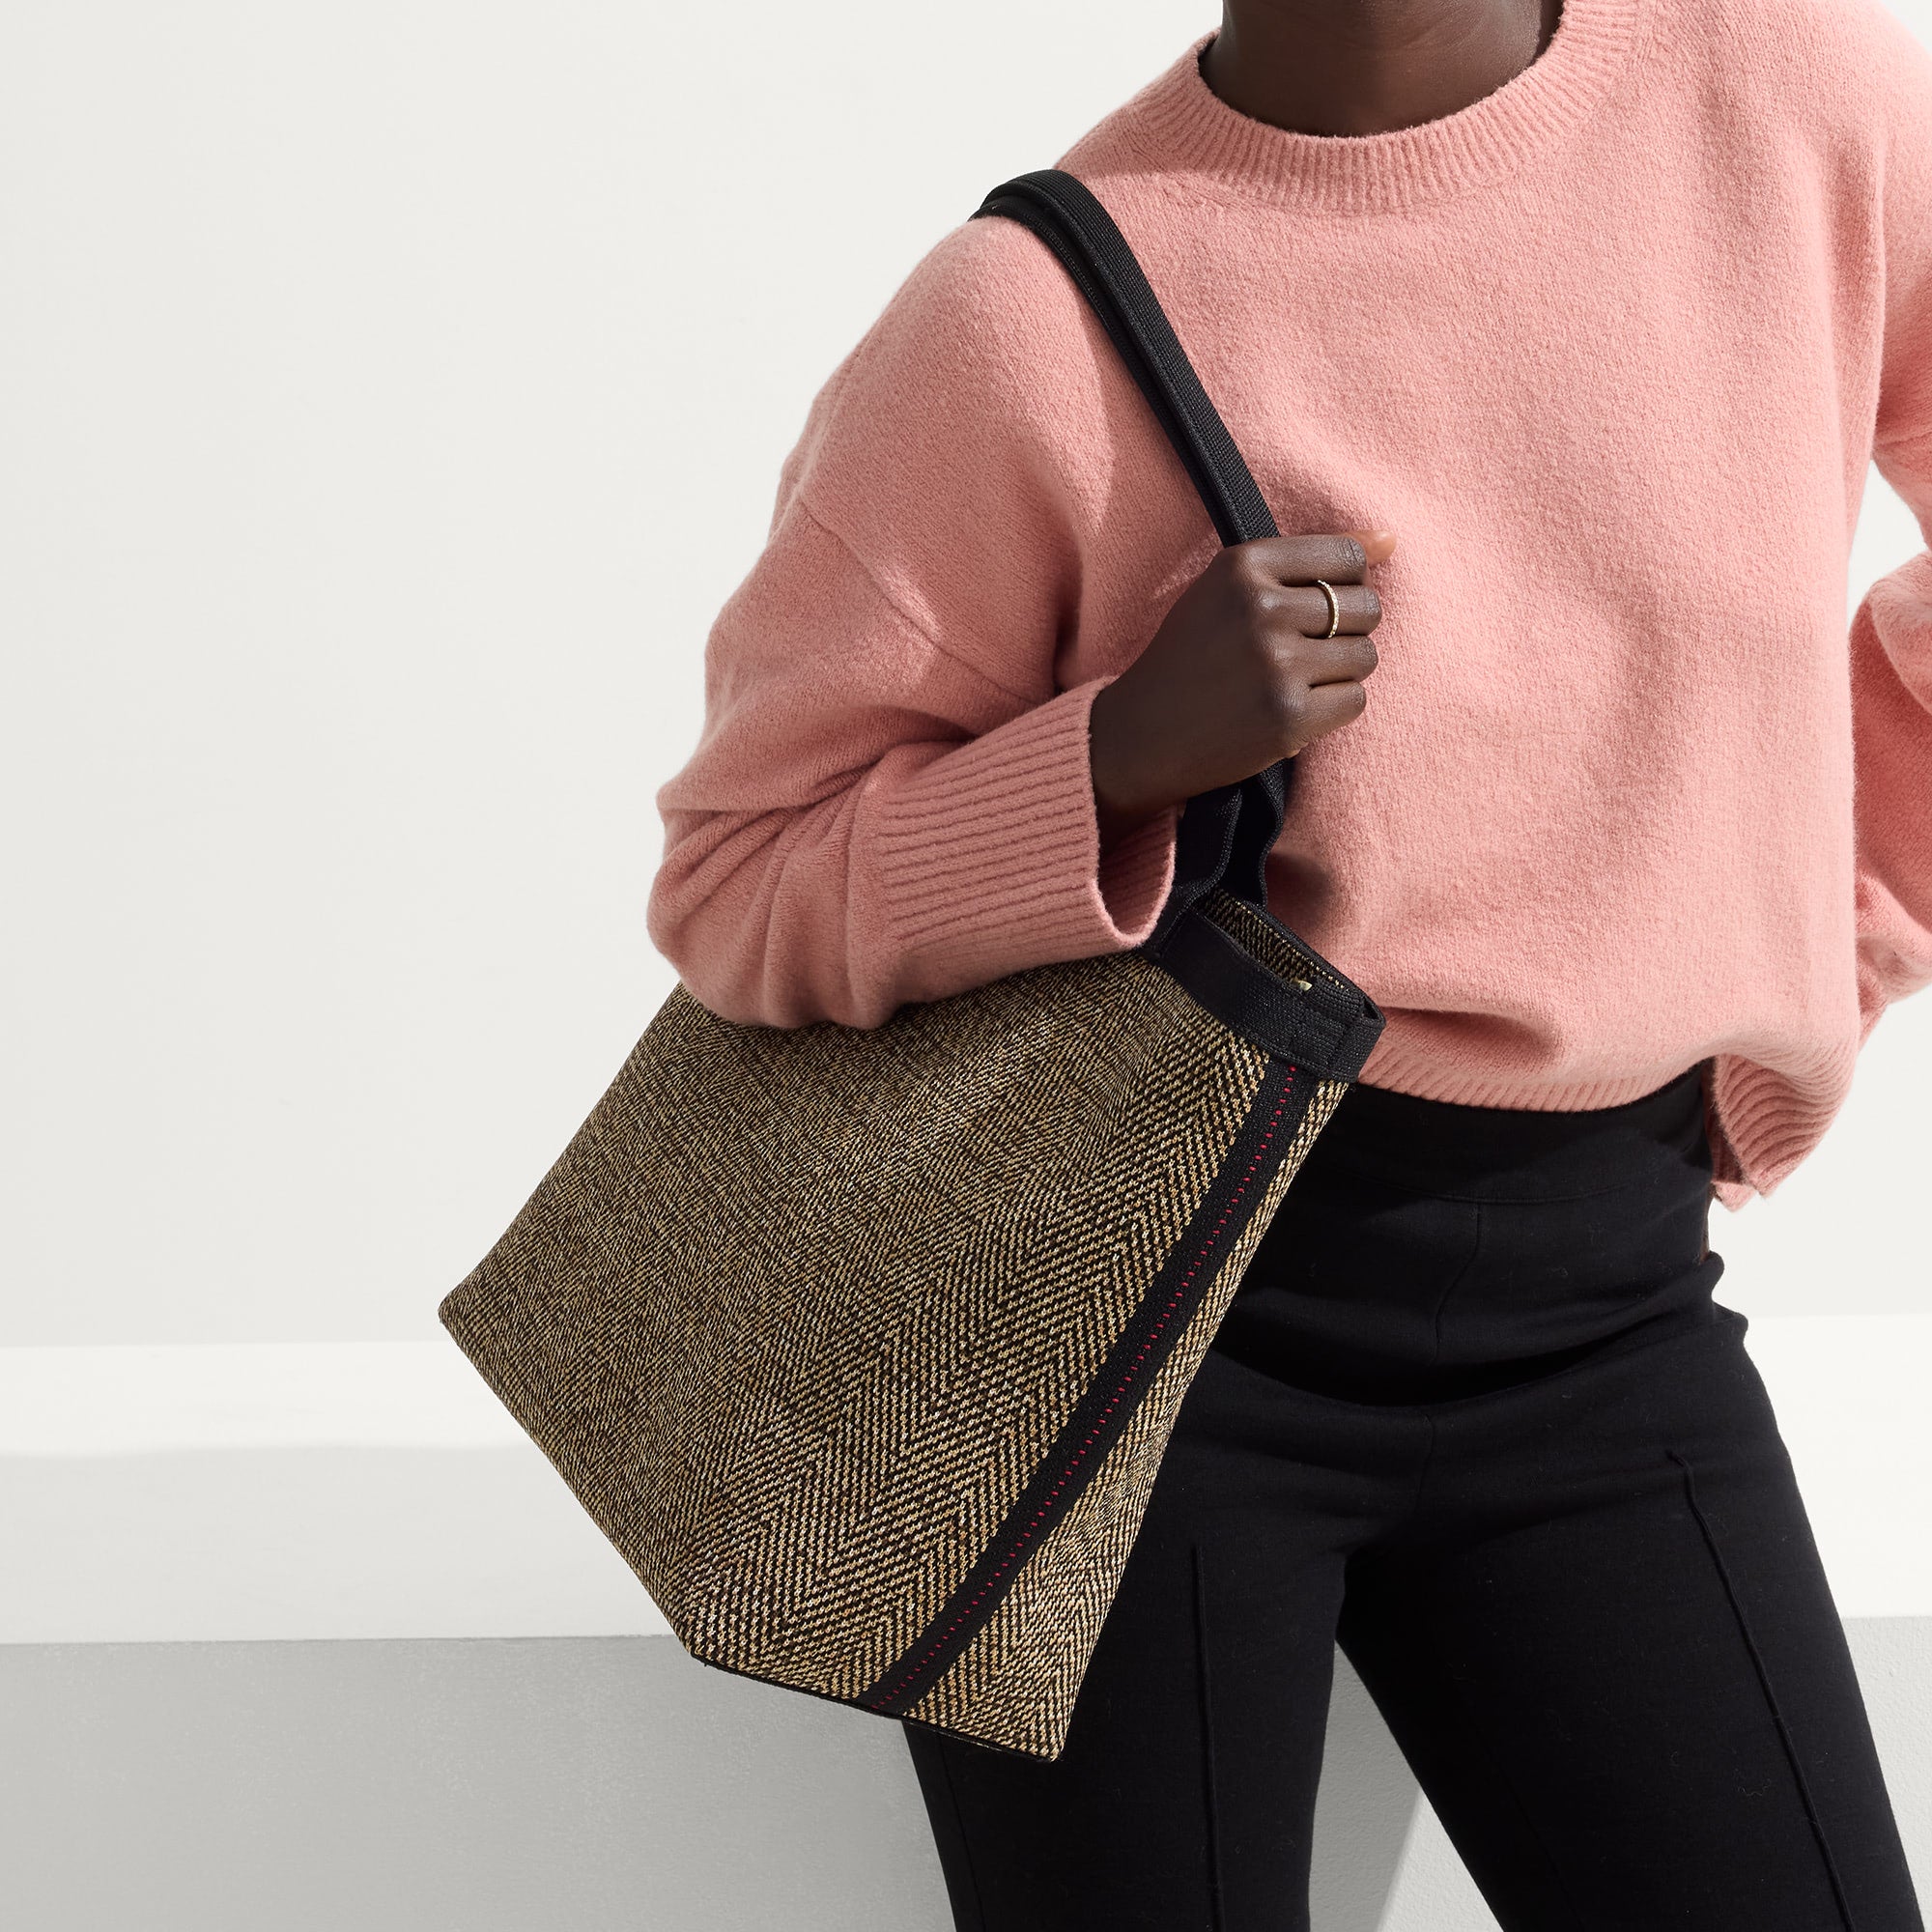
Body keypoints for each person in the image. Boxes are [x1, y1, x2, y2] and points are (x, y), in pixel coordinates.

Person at [645, 0, 1932, 1923]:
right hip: (1114, 1346)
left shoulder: (1791, 99)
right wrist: (1107, 760)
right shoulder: (1029, 315)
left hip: (1607, 1316)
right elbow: (740, 879)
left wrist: (1831, 920)